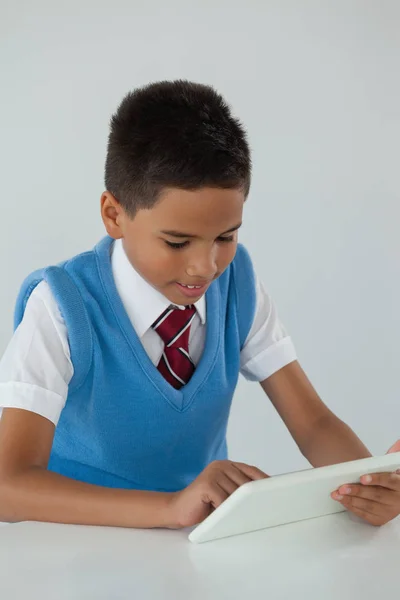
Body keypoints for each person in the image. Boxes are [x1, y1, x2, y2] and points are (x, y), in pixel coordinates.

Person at [0, 80, 399, 530]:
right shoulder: (60, 306)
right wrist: (170, 509)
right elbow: (8, 486)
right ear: (114, 215)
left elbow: (313, 424)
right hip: (76, 540)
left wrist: (368, 482)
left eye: (226, 236)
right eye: (177, 242)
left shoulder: (236, 285)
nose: (204, 268)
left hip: (199, 543)